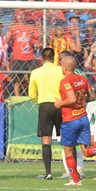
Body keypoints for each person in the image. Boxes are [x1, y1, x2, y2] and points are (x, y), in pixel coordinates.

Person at [54, 56, 96, 186]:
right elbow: (92, 96)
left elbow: (71, 99)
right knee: (86, 152)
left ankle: (76, 180)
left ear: (65, 67)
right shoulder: (83, 79)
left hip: (71, 120)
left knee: (68, 150)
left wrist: (59, 103)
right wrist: (82, 101)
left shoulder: (65, 81)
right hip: (83, 118)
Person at [27, 47, 64, 180]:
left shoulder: (36, 72)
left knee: (46, 140)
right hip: (60, 105)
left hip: (45, 105)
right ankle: (72, 170)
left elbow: (31, 94)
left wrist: (40, 101)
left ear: (42, 58)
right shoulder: (61, 70)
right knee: (66, 139)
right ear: (54, 57)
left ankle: (48, 173)